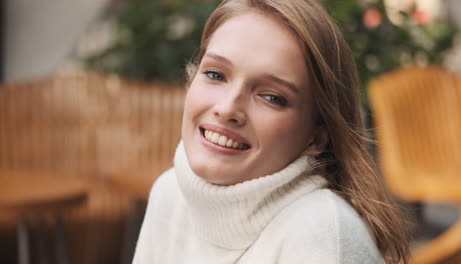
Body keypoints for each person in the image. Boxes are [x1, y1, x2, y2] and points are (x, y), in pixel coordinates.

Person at [133, 0, 410, 263]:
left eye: (272, 97)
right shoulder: (170, 193)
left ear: (317, 137)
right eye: (216, 74)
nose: (228, 108)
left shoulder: (321, 234)